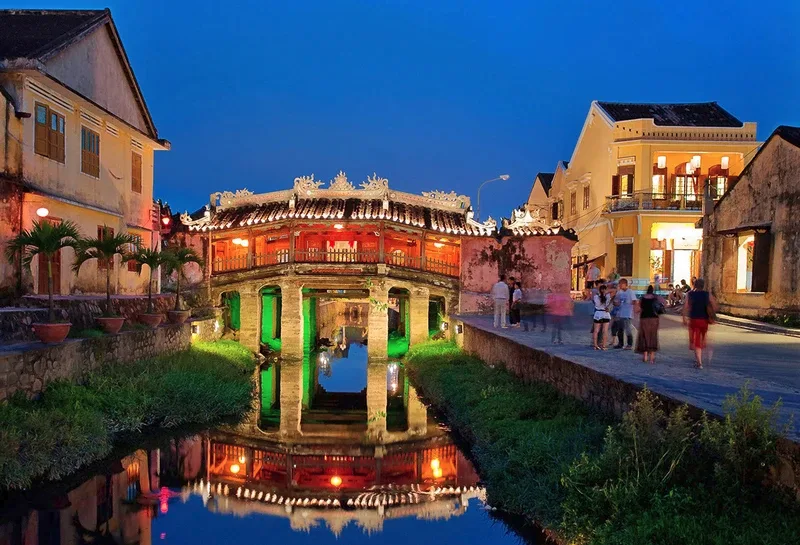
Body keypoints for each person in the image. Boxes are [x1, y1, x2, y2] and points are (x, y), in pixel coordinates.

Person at [682, 278, 718, 369]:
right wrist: (710, 312)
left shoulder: (690, 294)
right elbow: (715, 305)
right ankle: (700, 355)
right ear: (703, 286)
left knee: (696, 341)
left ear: (694, 285)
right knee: (701, 338)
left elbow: (685, 307)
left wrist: (684, 318)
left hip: (694, 319)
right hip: (704, 320)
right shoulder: (707, 294)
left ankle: (699, 363)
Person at [636, 285, 664, 364]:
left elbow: (638, 309)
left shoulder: (642, 298)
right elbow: (664, 303)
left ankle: (645, 356)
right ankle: (652, 357)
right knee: (652, 336)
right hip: (654, 318)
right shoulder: (656, 297)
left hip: (644, 318)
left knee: (644, 336)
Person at [613, 278, 636, 349]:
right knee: (620, 329)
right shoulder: (619, 292)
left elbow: (634, 301)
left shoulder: (630, 292)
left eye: (621, 284)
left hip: (627, 313)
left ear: (625, 284)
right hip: (620, 313)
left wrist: (629, 303)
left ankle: (629, 344)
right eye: (619, 284)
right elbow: (615, 302)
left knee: (627, 329)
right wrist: (617, 303)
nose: (619, 285)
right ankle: (620, 343)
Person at [592, 284, 612, 350]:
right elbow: (615, 291)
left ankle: (595, 345)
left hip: (598, 313)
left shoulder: (596, 297)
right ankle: (604, 346)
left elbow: (594, 303)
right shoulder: (608, 296)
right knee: (605, 331)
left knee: (596, 331)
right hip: (605, 314)